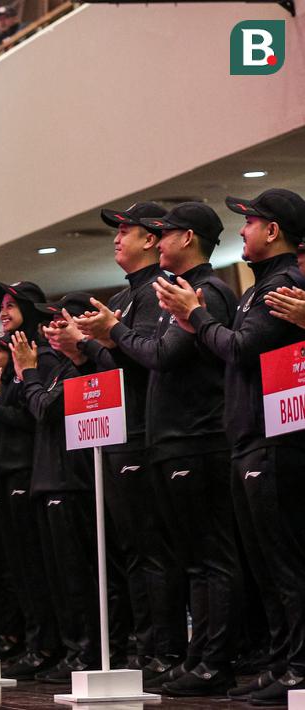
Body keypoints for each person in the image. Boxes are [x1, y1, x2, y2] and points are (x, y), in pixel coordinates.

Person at [75, 202, 239, 695]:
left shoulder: (200, 292)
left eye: (154, 232)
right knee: (190, 559)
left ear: (182, 239)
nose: (117, 239)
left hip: (195, 436)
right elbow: (141, 356)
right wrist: (93, 344)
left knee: (207, 559)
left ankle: (206, 659)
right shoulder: (161, 294)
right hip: (171, 437)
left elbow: (162, 356)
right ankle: (192, 658)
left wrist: (112, 335)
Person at [157, 188, 305, 705]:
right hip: (249, 439)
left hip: (276, 440)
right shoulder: (254, 289)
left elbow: (239, 351)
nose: (241, 229)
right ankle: (283, 662)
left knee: (285, 563)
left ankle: (299, 667)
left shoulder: (281, 285)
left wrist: (196, 317)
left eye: (250, 221)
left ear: (273, 230)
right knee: (266, 565)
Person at [62, 202, 181, 674]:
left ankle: (167, 648)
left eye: (126, 230)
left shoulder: (158, 292)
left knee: (154, 551)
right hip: (116, 432)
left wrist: (101, 340)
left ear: (152, 239)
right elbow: (115, 365)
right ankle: (146, 646)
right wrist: (84, 348)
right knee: (132, 552)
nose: (116, 237)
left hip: (143, 432)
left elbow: (151, 357)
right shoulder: (121, 297)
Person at [10, 292, 102, 683]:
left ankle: (87, 651)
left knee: (78, 575)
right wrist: (27, 377)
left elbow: (45, 409)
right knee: (58, 576)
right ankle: (72, 649)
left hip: (74, 479)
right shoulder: (59, 366)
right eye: (51, 323)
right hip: (49, 478)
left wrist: (28, 372)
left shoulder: (81, 367)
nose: (52, 330)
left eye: (61, 323)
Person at [0, 281, 62, 679]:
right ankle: (35, 641)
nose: (4, 310)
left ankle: (47, 644)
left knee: (36, 565)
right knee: (19, 568)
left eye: (11, 304)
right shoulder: (15, 362)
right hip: (7, 471)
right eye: (1, 305)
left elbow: (34, 416)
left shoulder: (40, 359)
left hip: (30, 471)